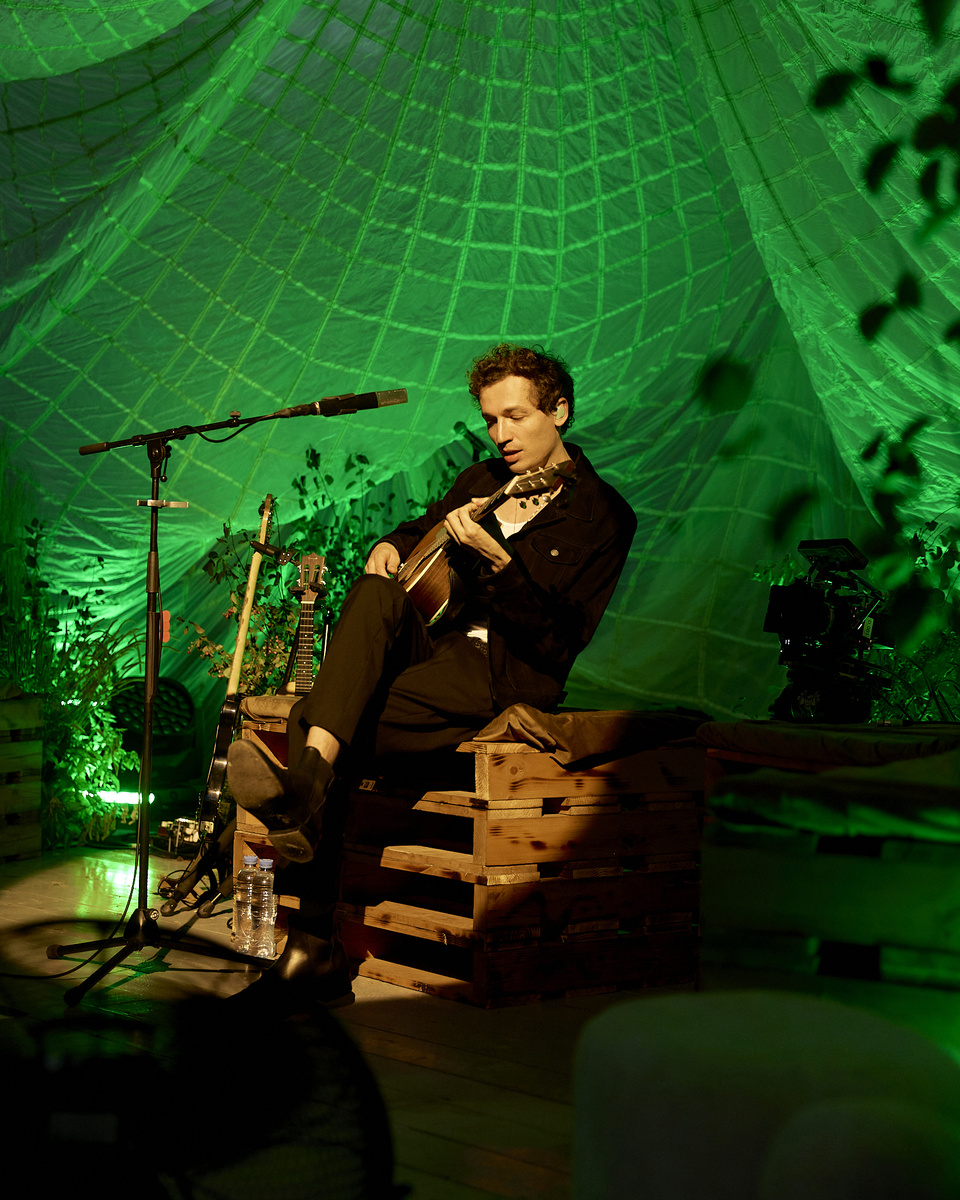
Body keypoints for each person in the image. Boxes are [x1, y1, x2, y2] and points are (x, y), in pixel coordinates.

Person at [226, 343, 637, 1007]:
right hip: (435, 649)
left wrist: (501, 565)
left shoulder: (604, 516)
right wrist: (391, 542)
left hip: (503, 671)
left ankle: (311, 930)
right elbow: (423, 529)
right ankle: (308, 831)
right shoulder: (481, 480)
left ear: (559, 410)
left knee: (319, 718)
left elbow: (560, 640)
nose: (501, 435)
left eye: (515, 417)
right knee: (374, 591)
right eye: (491, 420)